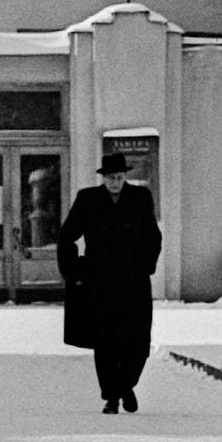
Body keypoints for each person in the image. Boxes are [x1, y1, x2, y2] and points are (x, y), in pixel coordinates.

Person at [58, 150, 162, 413]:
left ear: (125, 176)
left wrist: (146, 265)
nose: (115, 182)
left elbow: (153, 235)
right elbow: (67, 236)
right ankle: (111, 397)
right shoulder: (88, 199)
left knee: (137, 341)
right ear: (103, 178)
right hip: (100, 281)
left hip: (133, 280)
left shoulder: (140, 198)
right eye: (110, 178)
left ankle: (126, 386)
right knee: (105, 342)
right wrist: (74, 272)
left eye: (119, 177)